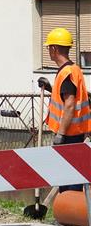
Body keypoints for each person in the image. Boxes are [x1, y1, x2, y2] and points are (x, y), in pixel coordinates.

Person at [38, 27, 89, 193]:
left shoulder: (66, 73)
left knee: (69, 179)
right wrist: (50, 88)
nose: (49, 51)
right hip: (75, 132)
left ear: (54, 49)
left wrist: (60, 134)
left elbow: (69, 104)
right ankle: (70, 213)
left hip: (69, 135)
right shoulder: (73, 69)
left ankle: (70, 214)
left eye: (49, 48)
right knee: (69, 176)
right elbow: (66, 96)